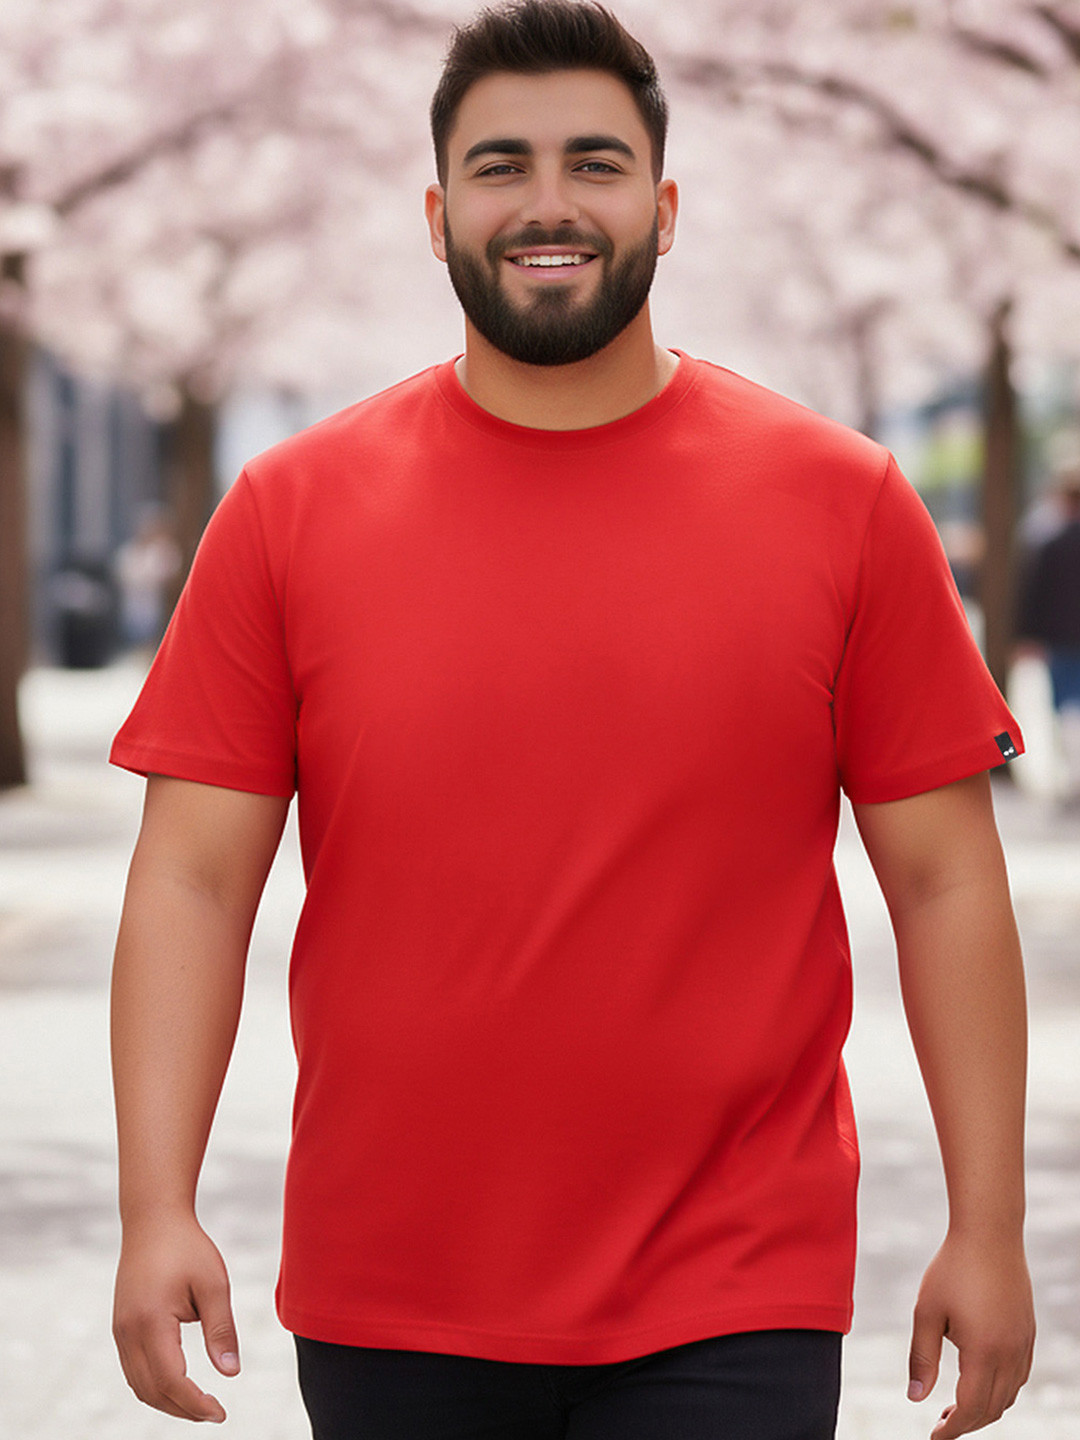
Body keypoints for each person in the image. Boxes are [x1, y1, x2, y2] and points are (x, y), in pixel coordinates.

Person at [108, 4, 1035, 1438]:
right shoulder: (287, 513)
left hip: (738, 1283)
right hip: (393, 1279)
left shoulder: (843, 502)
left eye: (595, 164)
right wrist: (154, 1206)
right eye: (502, 167)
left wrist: (991, 1225)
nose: (550, 204)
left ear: (665, 208)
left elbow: (946, 877)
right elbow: (190, 876)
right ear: (437, 214)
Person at [1016, 470, 1080, 804]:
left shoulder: (1051, 545)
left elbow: (1036, 593)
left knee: (1067, 705)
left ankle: (1074, 774)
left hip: (1061, 637)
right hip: (1065, 637)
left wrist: (1027, 635)